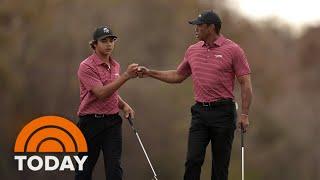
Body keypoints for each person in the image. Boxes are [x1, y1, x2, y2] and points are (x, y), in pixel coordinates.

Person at [138, 10, 253, 180]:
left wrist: (244, 114)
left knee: (220, 167)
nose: (196, 29)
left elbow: (246, 84)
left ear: (211, 27)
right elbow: (178, 75)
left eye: (199, 25)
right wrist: (149, 73)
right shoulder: (193, 50)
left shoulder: (233, 50)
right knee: (193, 160)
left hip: (223, 113)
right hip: (200, 113)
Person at [75, 26, 138, 180]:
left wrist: (123, 105)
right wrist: (126, 76)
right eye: (104, 41)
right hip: (89, 124)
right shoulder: (86, 66)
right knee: (84, 171)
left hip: (112, 122)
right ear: (94, 44)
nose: (109, 44)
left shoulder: (115, 65)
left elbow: (112, 92)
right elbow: (101, 93)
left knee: (114, 170)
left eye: (111, 40)